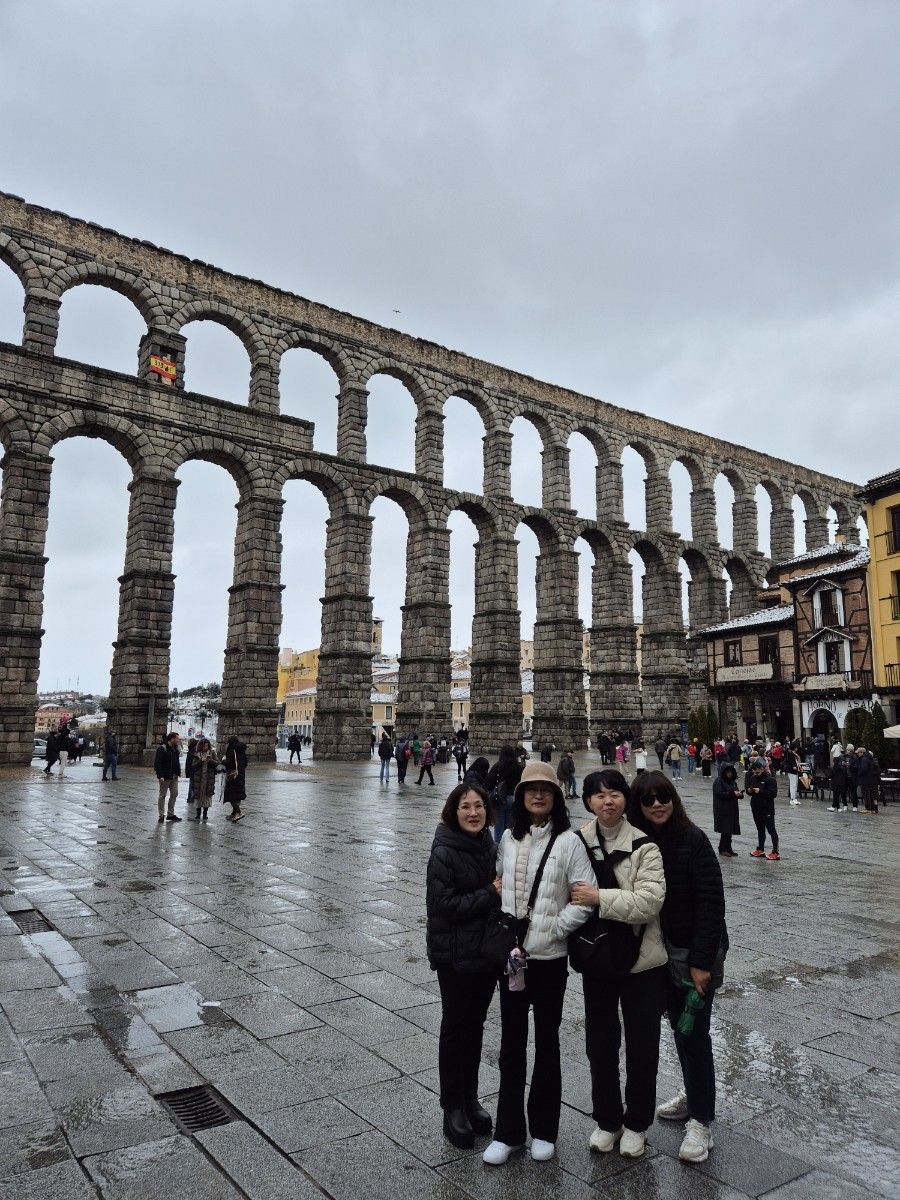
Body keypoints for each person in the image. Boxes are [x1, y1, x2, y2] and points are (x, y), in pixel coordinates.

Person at [482, 761, 593, 1165]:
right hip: (513, 960)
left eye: (546, 790)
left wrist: (554, 930)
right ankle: (508, 1132)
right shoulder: (508, 839)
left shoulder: (569, 842)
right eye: (531, 790)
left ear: (556, 798)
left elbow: (585, 898)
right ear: (521, 797)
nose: (538, 795)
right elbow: (499, 885)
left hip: (549, 960)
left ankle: (544, 1130)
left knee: (547, 1042)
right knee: (511, 1045)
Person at [629, 772, 727, 1165]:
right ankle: (694, 1092)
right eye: (648, 799)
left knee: (695, 1034)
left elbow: (711, 904)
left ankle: (702, 1121)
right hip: (659, 954)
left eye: (664, 797)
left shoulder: (693, 840)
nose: (657, 804)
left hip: (693, 955)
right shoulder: (637, 842)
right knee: (679, 1030)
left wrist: (701, 963)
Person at [569, 769, 667, 1159]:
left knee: (642, 1045)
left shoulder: (645, 846)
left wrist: (598, 898)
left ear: (625, 799)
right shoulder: (576, 843)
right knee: (600, 1044)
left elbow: (649, 903)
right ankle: (608, 1119)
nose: (607, 801)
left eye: (614, 793)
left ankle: (638, 1123)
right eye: (598, 795)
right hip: (598, 960)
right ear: (588, 801)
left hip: (642, 962)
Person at [426, 782, 501, 1149]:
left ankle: (471, 1098)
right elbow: (443, 906)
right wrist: (490, 893)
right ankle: (452, 1106)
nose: (473, 813)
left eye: (479, 806)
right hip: (455, 955)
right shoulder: (443, 852)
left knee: (475, 1026)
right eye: (465, 807)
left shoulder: (490, 846)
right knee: (456, 1027)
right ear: (453, 812)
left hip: (485, 953)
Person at [486, 745, 522, 844]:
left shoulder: (498, 766)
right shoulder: (518, 767)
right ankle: (508, 847)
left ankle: (498, 849)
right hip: (513, 798)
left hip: (500, 798)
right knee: (509, 828)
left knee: (498, 828)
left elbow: (488, 783)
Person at [744, 758, 778, 860]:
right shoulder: (753, 778)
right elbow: (749, 790)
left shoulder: (770, 779)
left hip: (767, 809)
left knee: (771, 830)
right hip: (756, 808)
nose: (755, 773)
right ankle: (760, 849)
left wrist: (760, 791)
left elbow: (773, 794)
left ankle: (775, 851)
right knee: (760, 829)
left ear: (762, 769)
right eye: (754, 771)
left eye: (757, 771)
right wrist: (749, 791)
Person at [712, 764, 743, 857]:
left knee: (729, 830)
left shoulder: (732, 782)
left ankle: (728, 848)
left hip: (732, 808)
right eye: (728, 772)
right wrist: (732, 793)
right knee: (725, 829)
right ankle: (722, 849)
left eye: (731, 772)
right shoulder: (719, 781)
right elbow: (719, 793)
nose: (729, 774)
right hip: (722, 809)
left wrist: (739, 794)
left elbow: (735, 792)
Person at [153, 731, 182, 823]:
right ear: (172, 739)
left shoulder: (175, 749)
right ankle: (161, 815)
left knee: (174, 794)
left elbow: (177, 762)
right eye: (177, 739)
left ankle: (170, 814)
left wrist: (177, 773)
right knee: (162, 795)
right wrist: (160, 776)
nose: (178, 740)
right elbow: (157, 763)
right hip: (165, 776)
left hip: (174, 777)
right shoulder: (162, 748)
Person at [189, 736, 218, 821]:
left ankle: (205, 813)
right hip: (199, 778)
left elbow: (217, 763)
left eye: (207, 745)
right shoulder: (197, 754)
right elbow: (193, 766)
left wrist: (210, 760)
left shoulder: (212, 753)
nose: (205, 747)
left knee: (207, 795)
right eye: (204, 746)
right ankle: (198, 814)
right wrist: (200, 760)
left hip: (208, 778)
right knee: (198, 796)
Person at [223, 735, 247, 821]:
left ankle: (239, 812)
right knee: (237, 795)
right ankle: (233, 814)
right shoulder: (241, 751)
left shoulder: (231, 751)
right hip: (240, 775)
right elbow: (245, 763)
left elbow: (229, 763)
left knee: (232, 795)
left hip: (233, 776)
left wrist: (224, 761)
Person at [856, 746, 879, 814]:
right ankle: (872, 808)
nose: (857, 754)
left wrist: (859, 773)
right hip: (869, 780)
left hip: (865, 780)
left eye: (858, 753)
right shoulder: (869, 758)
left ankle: (868, 808)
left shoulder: (864, 759)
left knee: (866, 795)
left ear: (862, 753)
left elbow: (863, 769)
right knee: (870, 794)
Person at [783, 740, 802, 805]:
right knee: (793, 785)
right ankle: (792, 799)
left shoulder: (793, 753)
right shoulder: (790, 753)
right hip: (792, 771)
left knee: (794, 785)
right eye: (796, 747)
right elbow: (789, 761)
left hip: (794, 770)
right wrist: (793, 766)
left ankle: (794, 798)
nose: (797, 749)